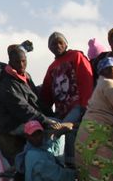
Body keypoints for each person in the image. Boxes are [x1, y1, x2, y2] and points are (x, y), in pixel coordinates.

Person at [40, 32, 94, 161]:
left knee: (65, 129)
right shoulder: (51, 67)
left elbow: (86, 79)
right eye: (53, 44)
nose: (57, 45)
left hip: (78, 105)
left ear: (66, 44)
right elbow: (46, 93)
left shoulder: (76, 56)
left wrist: (85, 105)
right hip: (61, 110)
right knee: (53, 127)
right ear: (50, 48)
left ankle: (70, 161)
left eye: (60, 42)